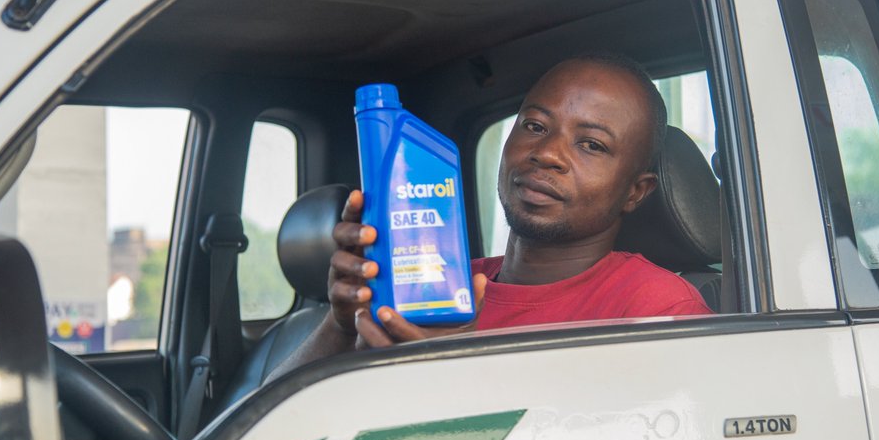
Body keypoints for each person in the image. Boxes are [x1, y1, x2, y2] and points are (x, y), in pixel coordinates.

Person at [287, 54, 711, 362]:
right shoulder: (442, 283)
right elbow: (279, 433)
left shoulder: (657, 310)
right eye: (534, 126)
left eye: (591, 145)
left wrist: (459, 366)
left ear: (636, 191)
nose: (547, 153)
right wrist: (341, 325)